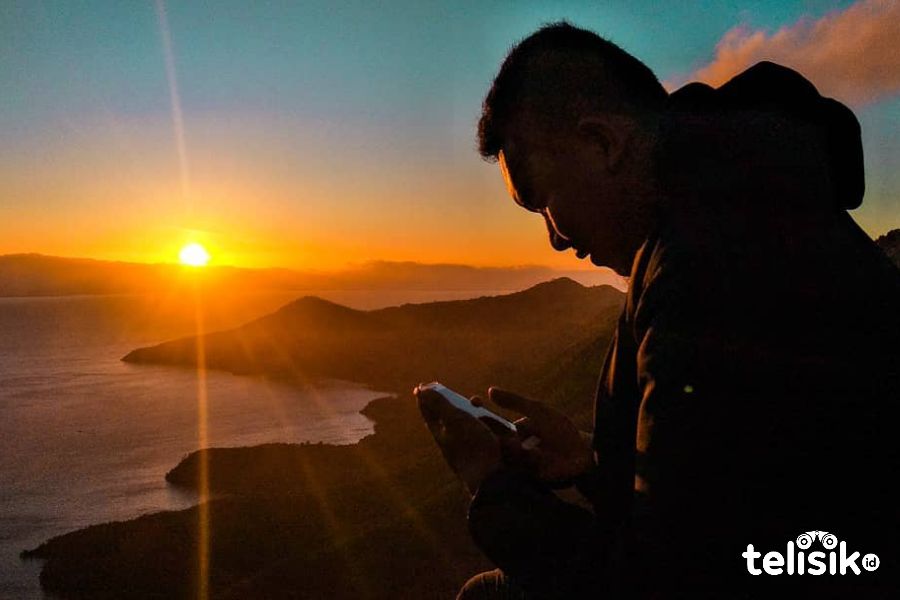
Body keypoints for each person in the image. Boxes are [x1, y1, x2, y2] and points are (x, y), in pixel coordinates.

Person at [415, 22, 900, 599]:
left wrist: (491, 488)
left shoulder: (712, 260)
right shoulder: (730, 204)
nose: (554, 240)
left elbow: (670, 576)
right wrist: (591, 464)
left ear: (602, 143)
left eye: (543, 202)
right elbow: (715, 500)